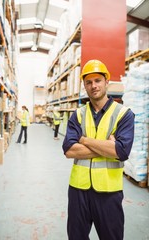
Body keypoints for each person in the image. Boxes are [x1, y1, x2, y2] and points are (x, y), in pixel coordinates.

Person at [62, 59, 135, 240]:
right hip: (78, 190)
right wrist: (108, 146)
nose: (93, 86)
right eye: (89, 82)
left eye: (97, 80)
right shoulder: (78, 114)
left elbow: (122, 152)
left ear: (106, 81)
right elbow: (69, 150)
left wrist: (84, 139)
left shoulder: (123, 114)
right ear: (84, 86)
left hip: (109, 192)